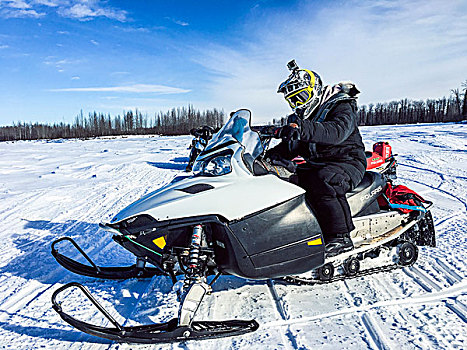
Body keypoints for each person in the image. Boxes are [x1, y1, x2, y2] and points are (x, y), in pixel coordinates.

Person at [266, 60, 366, 256]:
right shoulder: (303, 118)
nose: (298, 104)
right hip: (319, 163)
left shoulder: (341, 106)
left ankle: (340, 237)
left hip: (347, 161)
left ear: (315, 90)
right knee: (288, 181)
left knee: (324, 180)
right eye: (293, 101)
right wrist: (266, 157)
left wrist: (300, 129)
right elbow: (292, 147)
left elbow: (336, 131)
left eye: (301, 97)